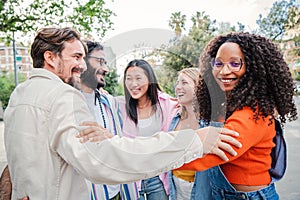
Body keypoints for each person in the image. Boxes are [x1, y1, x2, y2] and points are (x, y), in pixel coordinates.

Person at [3, 27, 241, 199]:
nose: (83, 64)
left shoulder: (19, 95)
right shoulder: (62, 95)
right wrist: (192, 141)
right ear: (50, 57)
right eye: (76, 56)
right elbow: (102, 159)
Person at [177, 32, 298, 199]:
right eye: (218, 63)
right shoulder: (225, 106)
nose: (224, 71)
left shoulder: (254, 115)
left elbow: (207, 155)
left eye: (235, 64)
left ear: (253, 68)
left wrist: (148, 157)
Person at [80, 41, 136, 200]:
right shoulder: (66, 103)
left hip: (116, 191)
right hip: (88, 193)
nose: (105, 69)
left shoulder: (108, 101)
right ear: (82, 61)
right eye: (100, 62)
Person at [117, 59, 178, 200]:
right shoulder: (119, 107)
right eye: (129, 79)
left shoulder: (167, 104)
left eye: (138, 78)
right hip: (131, 180)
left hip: (158, 179)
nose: (133, 84)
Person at [168, 68, 200, 200]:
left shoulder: (209, 120)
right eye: (177, 83)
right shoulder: (176, 117)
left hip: (200, 188)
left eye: (184, 83)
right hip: (176, 185)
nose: (178, 87)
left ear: (198, 87)